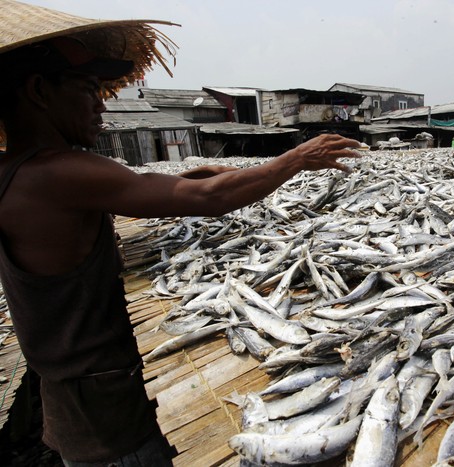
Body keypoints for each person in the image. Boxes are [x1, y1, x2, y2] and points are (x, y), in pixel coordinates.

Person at [0, 3, 361, 466]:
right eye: (89, 89)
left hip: (73, 404)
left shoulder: (18, 172)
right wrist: (295, 159)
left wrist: (195, 177)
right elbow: (208, 200)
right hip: (111, 417)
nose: (101, 104)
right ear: (38, 91)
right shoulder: (58, 173)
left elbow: (141, 189)